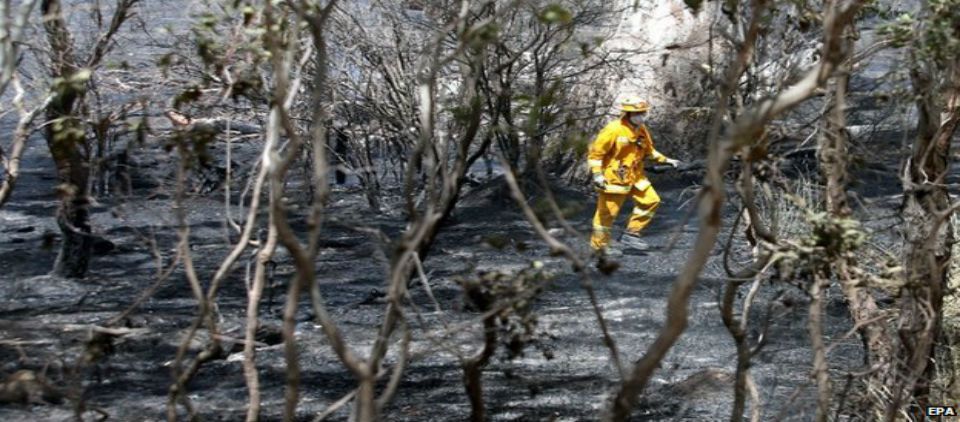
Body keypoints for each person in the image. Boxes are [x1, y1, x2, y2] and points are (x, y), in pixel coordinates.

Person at [587, 97, 680, 256]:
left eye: (643, 113)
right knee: (607, 214)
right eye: (637, 113)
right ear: (628, 113)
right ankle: (599, 247)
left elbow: (649, 151)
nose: (641, 116)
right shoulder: (613, 129)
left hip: (636, 176)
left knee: (651, 201)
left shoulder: (641, 129)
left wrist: (667, 160)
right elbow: (595, 155)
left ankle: (631, 233)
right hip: (613, 179)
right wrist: (597, 175)